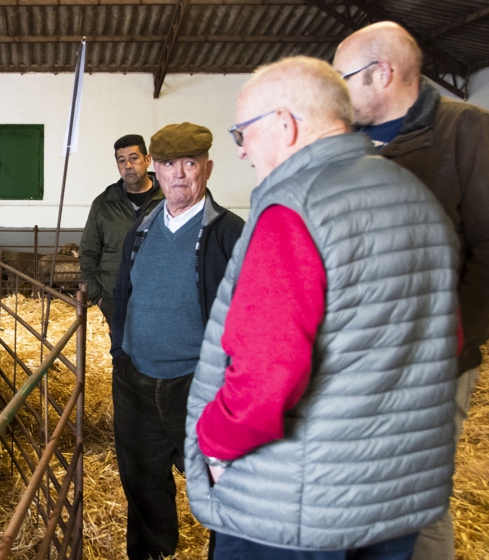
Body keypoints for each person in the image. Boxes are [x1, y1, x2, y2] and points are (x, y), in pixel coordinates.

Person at [184, 56, 459, 560]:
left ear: (284, 125)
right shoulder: (417, 198)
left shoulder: (296, 208)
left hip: (293, 505)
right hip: (393, 499)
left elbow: (268, 373)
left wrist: (216, 444)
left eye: (242, 132)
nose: (242, 151)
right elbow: (445, 342)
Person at [332, 23, 489, 558]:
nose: (336, 90)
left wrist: (444, 338)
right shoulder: (344, 143)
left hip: (427, 361)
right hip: (354, 359)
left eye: (343, 77)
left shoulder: (465, 133)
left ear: (382, 73)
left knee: (415, 501)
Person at [109, 123, 244, 559]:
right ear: (156, 169)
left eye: (189, 163)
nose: (179, 174)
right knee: (141, 479)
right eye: (169, 164)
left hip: (198, 386)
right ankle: (152, 552)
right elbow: (122, 294)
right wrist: (119, 353)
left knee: (221, 480)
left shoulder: (230, 234)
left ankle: (225, 552)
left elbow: (247, 315)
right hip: (136, 380)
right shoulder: (142, 231)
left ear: (206, 167)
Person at [79, 134, 163, 323]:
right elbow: (88, 254)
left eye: (134, 158)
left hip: (160, 303)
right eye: (121, 160)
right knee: (121, 352)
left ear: (147, 160)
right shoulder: (103, 204)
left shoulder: (169, 200)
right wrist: (99, 299)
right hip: (116, 303)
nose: (128, 166)